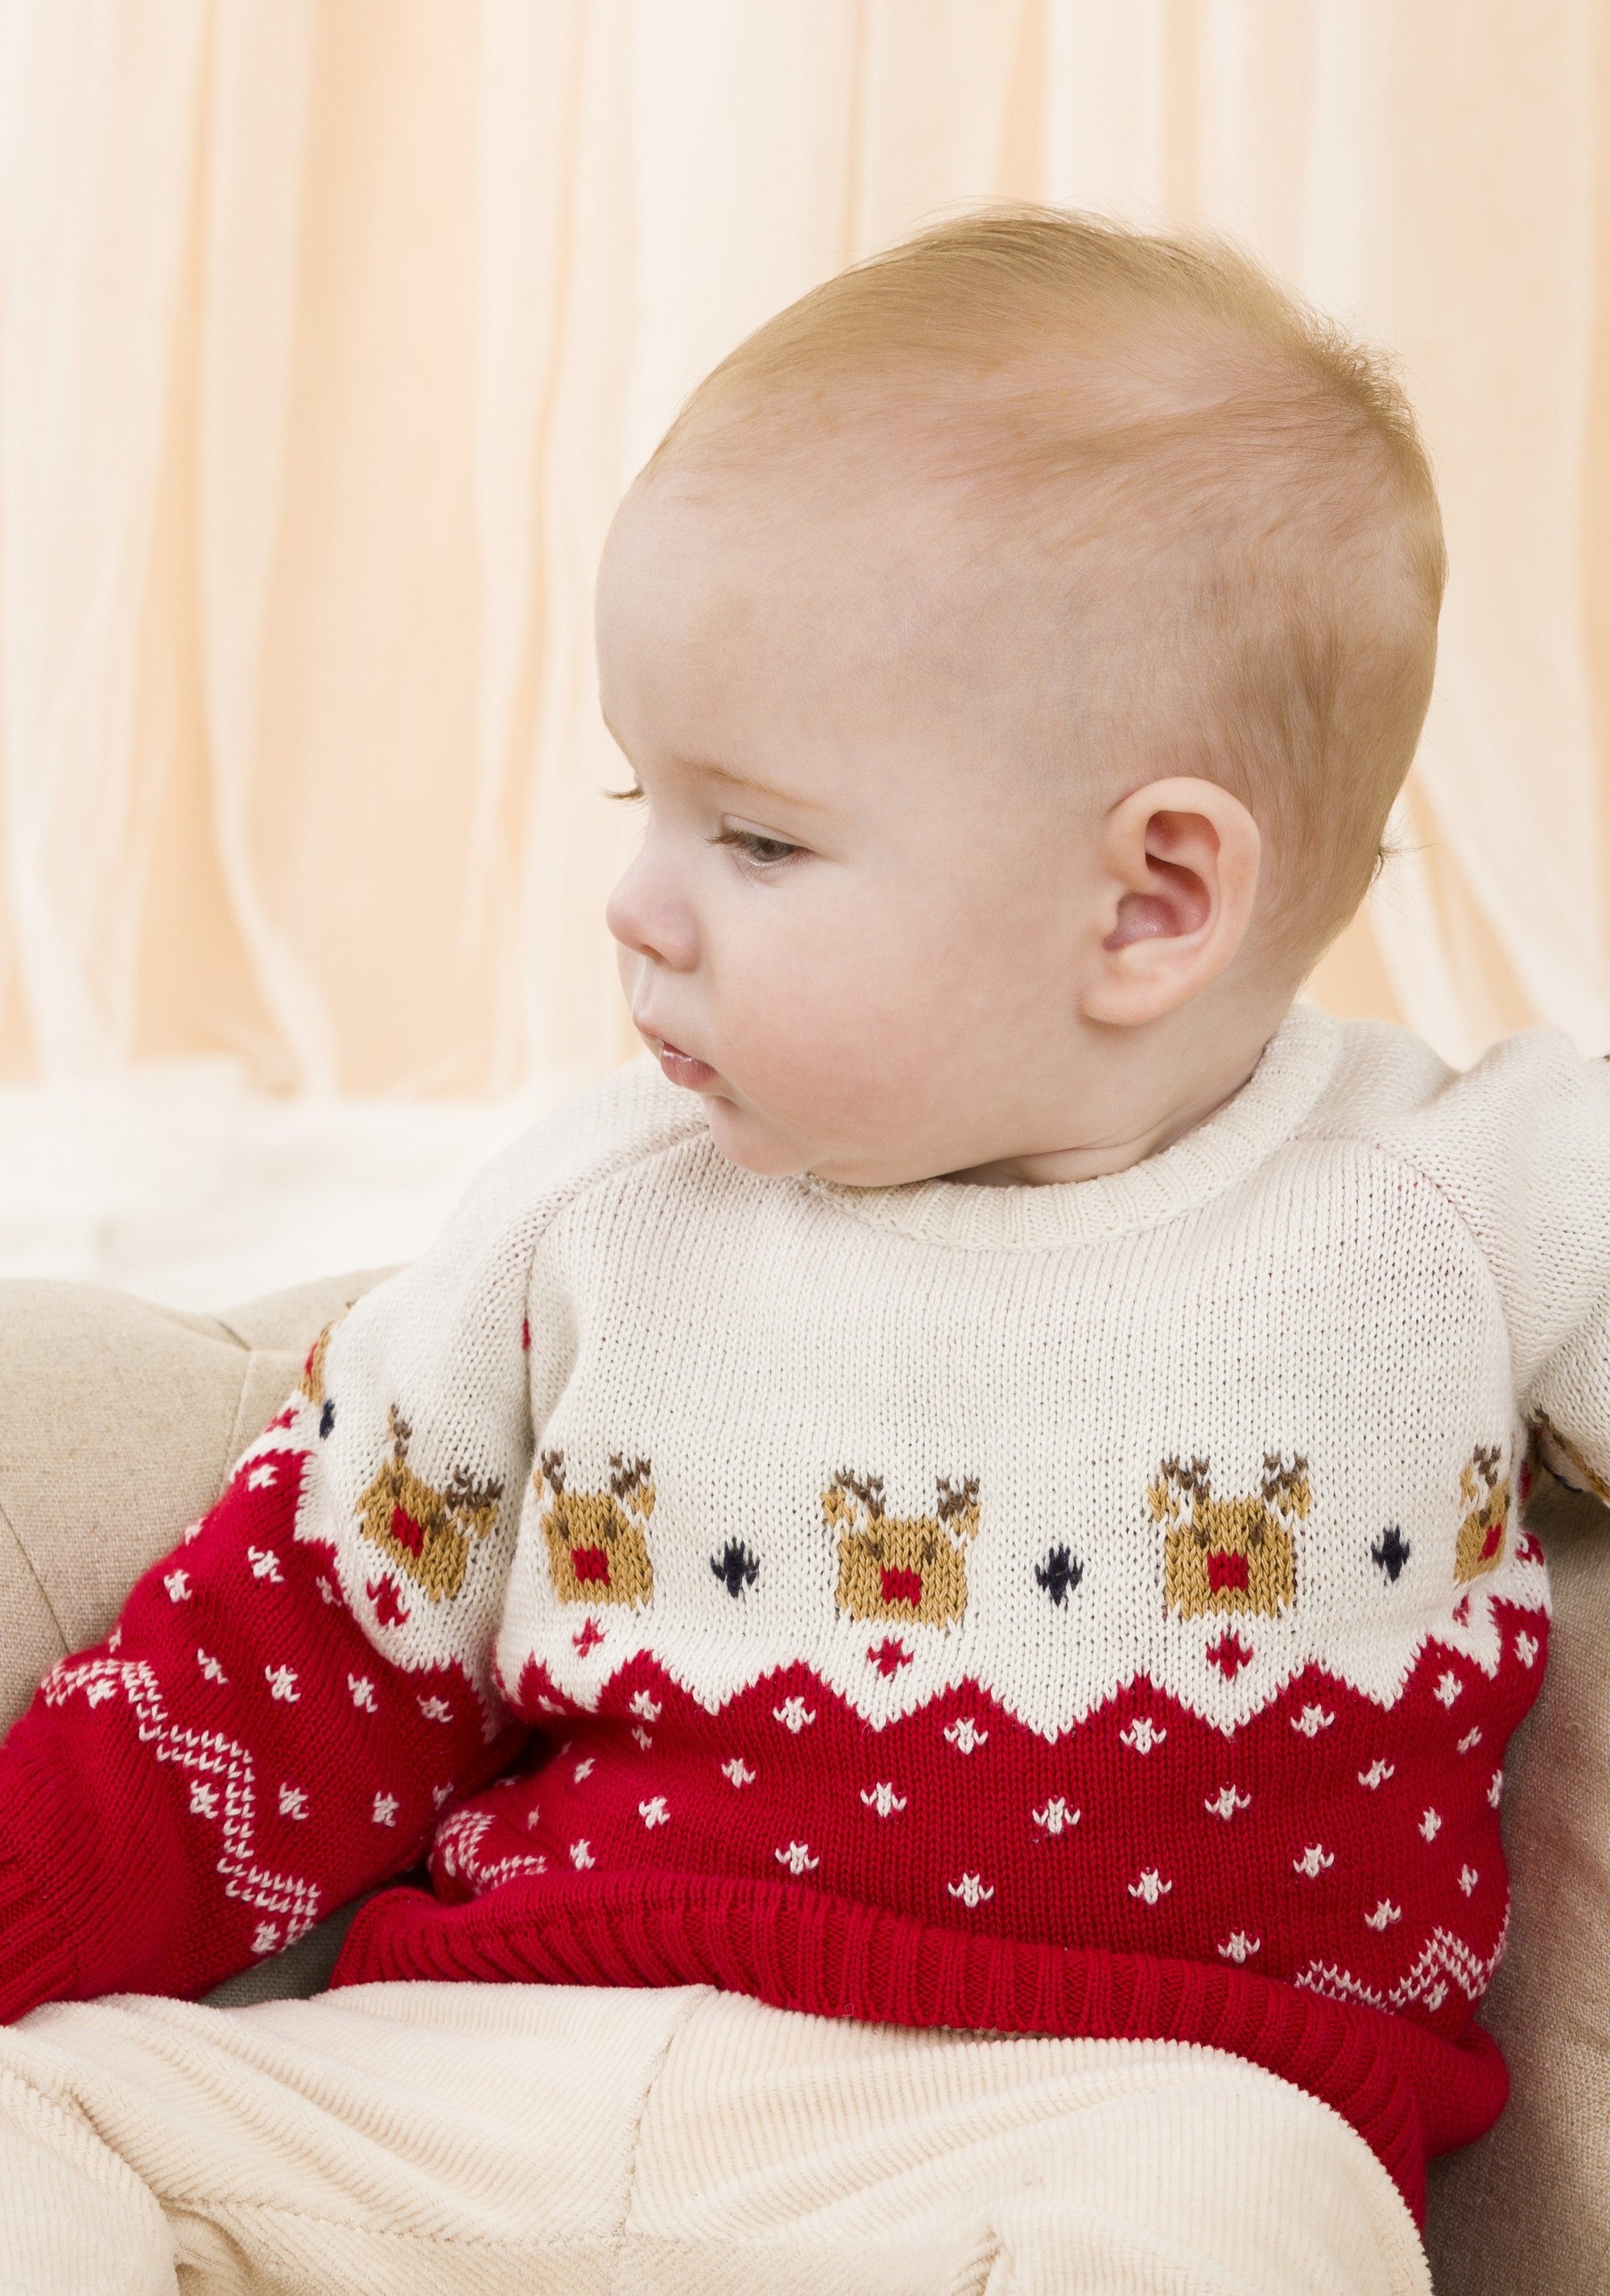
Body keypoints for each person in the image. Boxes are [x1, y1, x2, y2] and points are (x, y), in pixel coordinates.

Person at [0, 206, 1594, 2295]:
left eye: (753, 837)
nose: (637, 906)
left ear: (1151, 902)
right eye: (640, 802)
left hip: (1102, 2113)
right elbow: (295, 1664)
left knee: (1245, 2218)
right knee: (43, 2113)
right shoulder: (590, 1213)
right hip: (497, 2074)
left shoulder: (1462, 1198)